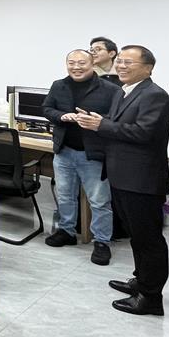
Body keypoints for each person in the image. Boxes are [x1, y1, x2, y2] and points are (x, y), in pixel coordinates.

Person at [76, 45, 169, 316]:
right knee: (136, 237)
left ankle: (151, 298)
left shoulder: (154, 95)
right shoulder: (124, 90)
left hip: (142, 179)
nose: (121, 66)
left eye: (129, 62)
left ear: (148, 68)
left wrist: (102, 125)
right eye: (120, 61)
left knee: (148, 240)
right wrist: (99, 120)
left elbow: (144, 133)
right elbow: (119, 123)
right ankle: (141, 281)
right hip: (122, 175)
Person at [42, 49, 120, 265]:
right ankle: (66, 231)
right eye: (71, 63)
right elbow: (46, 109)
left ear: (92, 63)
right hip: (64, 151)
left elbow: (117, 117)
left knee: (99, 201)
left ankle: (102, 241)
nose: (76, 67)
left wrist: (95, 120)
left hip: (93, 154)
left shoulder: (110, 89)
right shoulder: (59, 85)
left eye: (81, 63)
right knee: (65, 195)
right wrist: (61, 116)